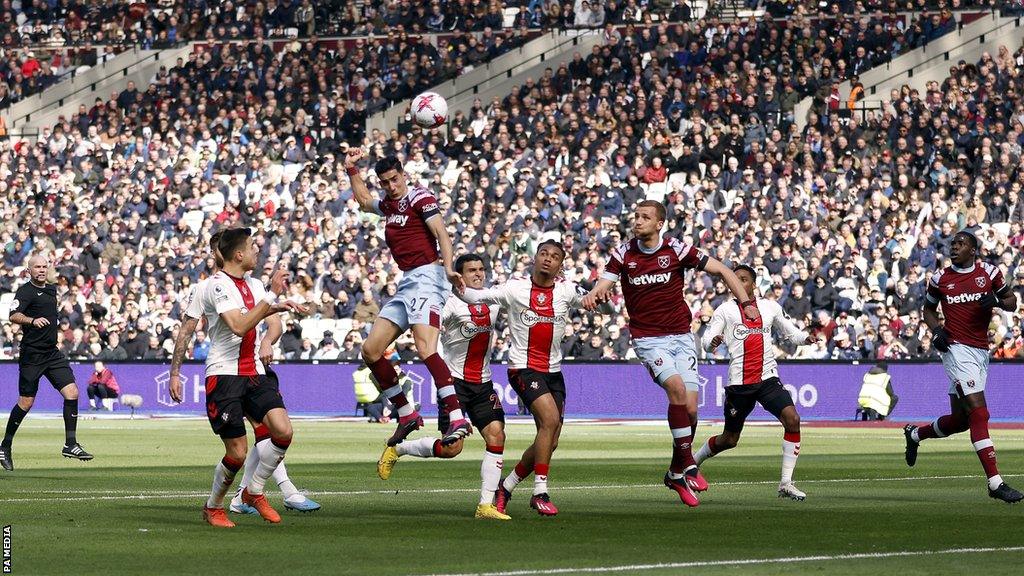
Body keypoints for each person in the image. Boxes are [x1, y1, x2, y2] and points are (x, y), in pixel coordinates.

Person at [582, 200, 760, 507]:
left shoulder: (677, 250)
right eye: (635, 216)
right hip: (649, 339)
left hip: (681, 336)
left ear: (659, 223)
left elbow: (722, 269)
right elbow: (604, 283)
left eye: (645, 217)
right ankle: (688, 463)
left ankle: (675, 472)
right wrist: (596, 293)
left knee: (691, 409)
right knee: (676, 390)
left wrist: (745, 303)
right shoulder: (624, 253)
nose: (637, 221)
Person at [170, 230, 321, 519]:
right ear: (237, 254)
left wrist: (280, 307)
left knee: (282, 430)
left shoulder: (253, 284)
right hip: (224, 375)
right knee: (237, 453)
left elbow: (265, 316)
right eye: (252, 247)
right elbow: (237, 326)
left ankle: (254, 490)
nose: (256, 252)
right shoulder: (213, 287)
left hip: (253, 372)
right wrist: (175, 372)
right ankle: (214, 506)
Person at [456, 240, 595, 517]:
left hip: (554, 371)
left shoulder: (567, 290)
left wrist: (599, 293)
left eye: (554, 256)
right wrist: (454, 284)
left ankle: (506, 488)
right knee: (550, 421)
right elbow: (476, 297)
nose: (548, 259)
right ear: (535, 257)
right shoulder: (515, 288)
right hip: (523, 368)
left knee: (550, 440)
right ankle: (540, 492)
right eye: (543, 253)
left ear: (560, 265)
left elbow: (595, 305)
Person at [345, 148, 471, 448]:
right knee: (370, 350)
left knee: (426, 348)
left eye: (394, 179)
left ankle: (456, 416)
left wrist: (450, 269)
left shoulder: (420, 197)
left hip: (429, 277)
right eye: (385, 182)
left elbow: (442, 234)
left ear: (403, 174)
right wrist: (351, 169)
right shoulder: (389, 205)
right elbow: (363, 201)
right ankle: (406, 413)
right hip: (407, 283)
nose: (391, 186)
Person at [377, 254, 510, 520]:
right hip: (454, 384)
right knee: (452, 450)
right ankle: (398, 449)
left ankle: (485, 506)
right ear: (459, 275)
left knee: (497, 436)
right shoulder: (448, 303)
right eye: (472, 270)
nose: (478, 274)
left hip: (483, 383)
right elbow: (427, 332)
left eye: (481, 269)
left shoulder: (493, 300)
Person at [903, 231, 1022, 503]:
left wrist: (996, 302)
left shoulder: (989, 273)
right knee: (980, 414)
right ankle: (995, 482)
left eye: (960, 244)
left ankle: (915, 434)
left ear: (973, 250)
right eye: (952, 244)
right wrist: (936, 331)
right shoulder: (940, 278)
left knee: (961, 421)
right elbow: (928, 310)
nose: (954, 247)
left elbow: (1012, 302)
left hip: (980, 351)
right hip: (955, 349)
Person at [694, 265, 813, 501]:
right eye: (734, 279)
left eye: (744, 279)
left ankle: (786, 483)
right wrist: (714, 341)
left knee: (793, 419)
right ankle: (693, 462)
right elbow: (706, 341)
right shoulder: (725, 310)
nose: (738, 283)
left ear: (754, 284)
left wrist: (807, 338)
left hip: (767, 378)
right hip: (739, 383)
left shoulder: (769, 307)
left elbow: (792, 333)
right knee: (730, 439)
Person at [1, 255, 92, 471]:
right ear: (29, 270)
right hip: (32, 355)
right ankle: (5, 445)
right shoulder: (25, 291)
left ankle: (70, 444)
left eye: (44, 266)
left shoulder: (52, 289)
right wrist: (32, 320)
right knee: (26, 403)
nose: (41, 270)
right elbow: (13, 315)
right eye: (37, 267)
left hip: (52, 353)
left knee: (72, 393)